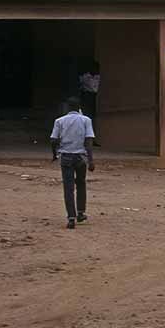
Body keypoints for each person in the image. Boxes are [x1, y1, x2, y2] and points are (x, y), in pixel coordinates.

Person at [50, 97, 96, 229]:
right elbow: (88, 140)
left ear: (67, 108)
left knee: (68, 188)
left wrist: (55, 154)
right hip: (81, 157)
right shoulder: (86, 120)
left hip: (66, 157)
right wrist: (91, 160)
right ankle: (81, 212)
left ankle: (71, 217)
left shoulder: (59, 121)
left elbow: (53, 140)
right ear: (79, 107)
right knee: (81, 184)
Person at [78, 62, 100, 147]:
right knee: (85, 118)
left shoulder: (98, 77)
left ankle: (91, 140)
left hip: (93, 97)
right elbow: (89, 87)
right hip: (86, 96)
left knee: (92, 119)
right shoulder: (85, 77)